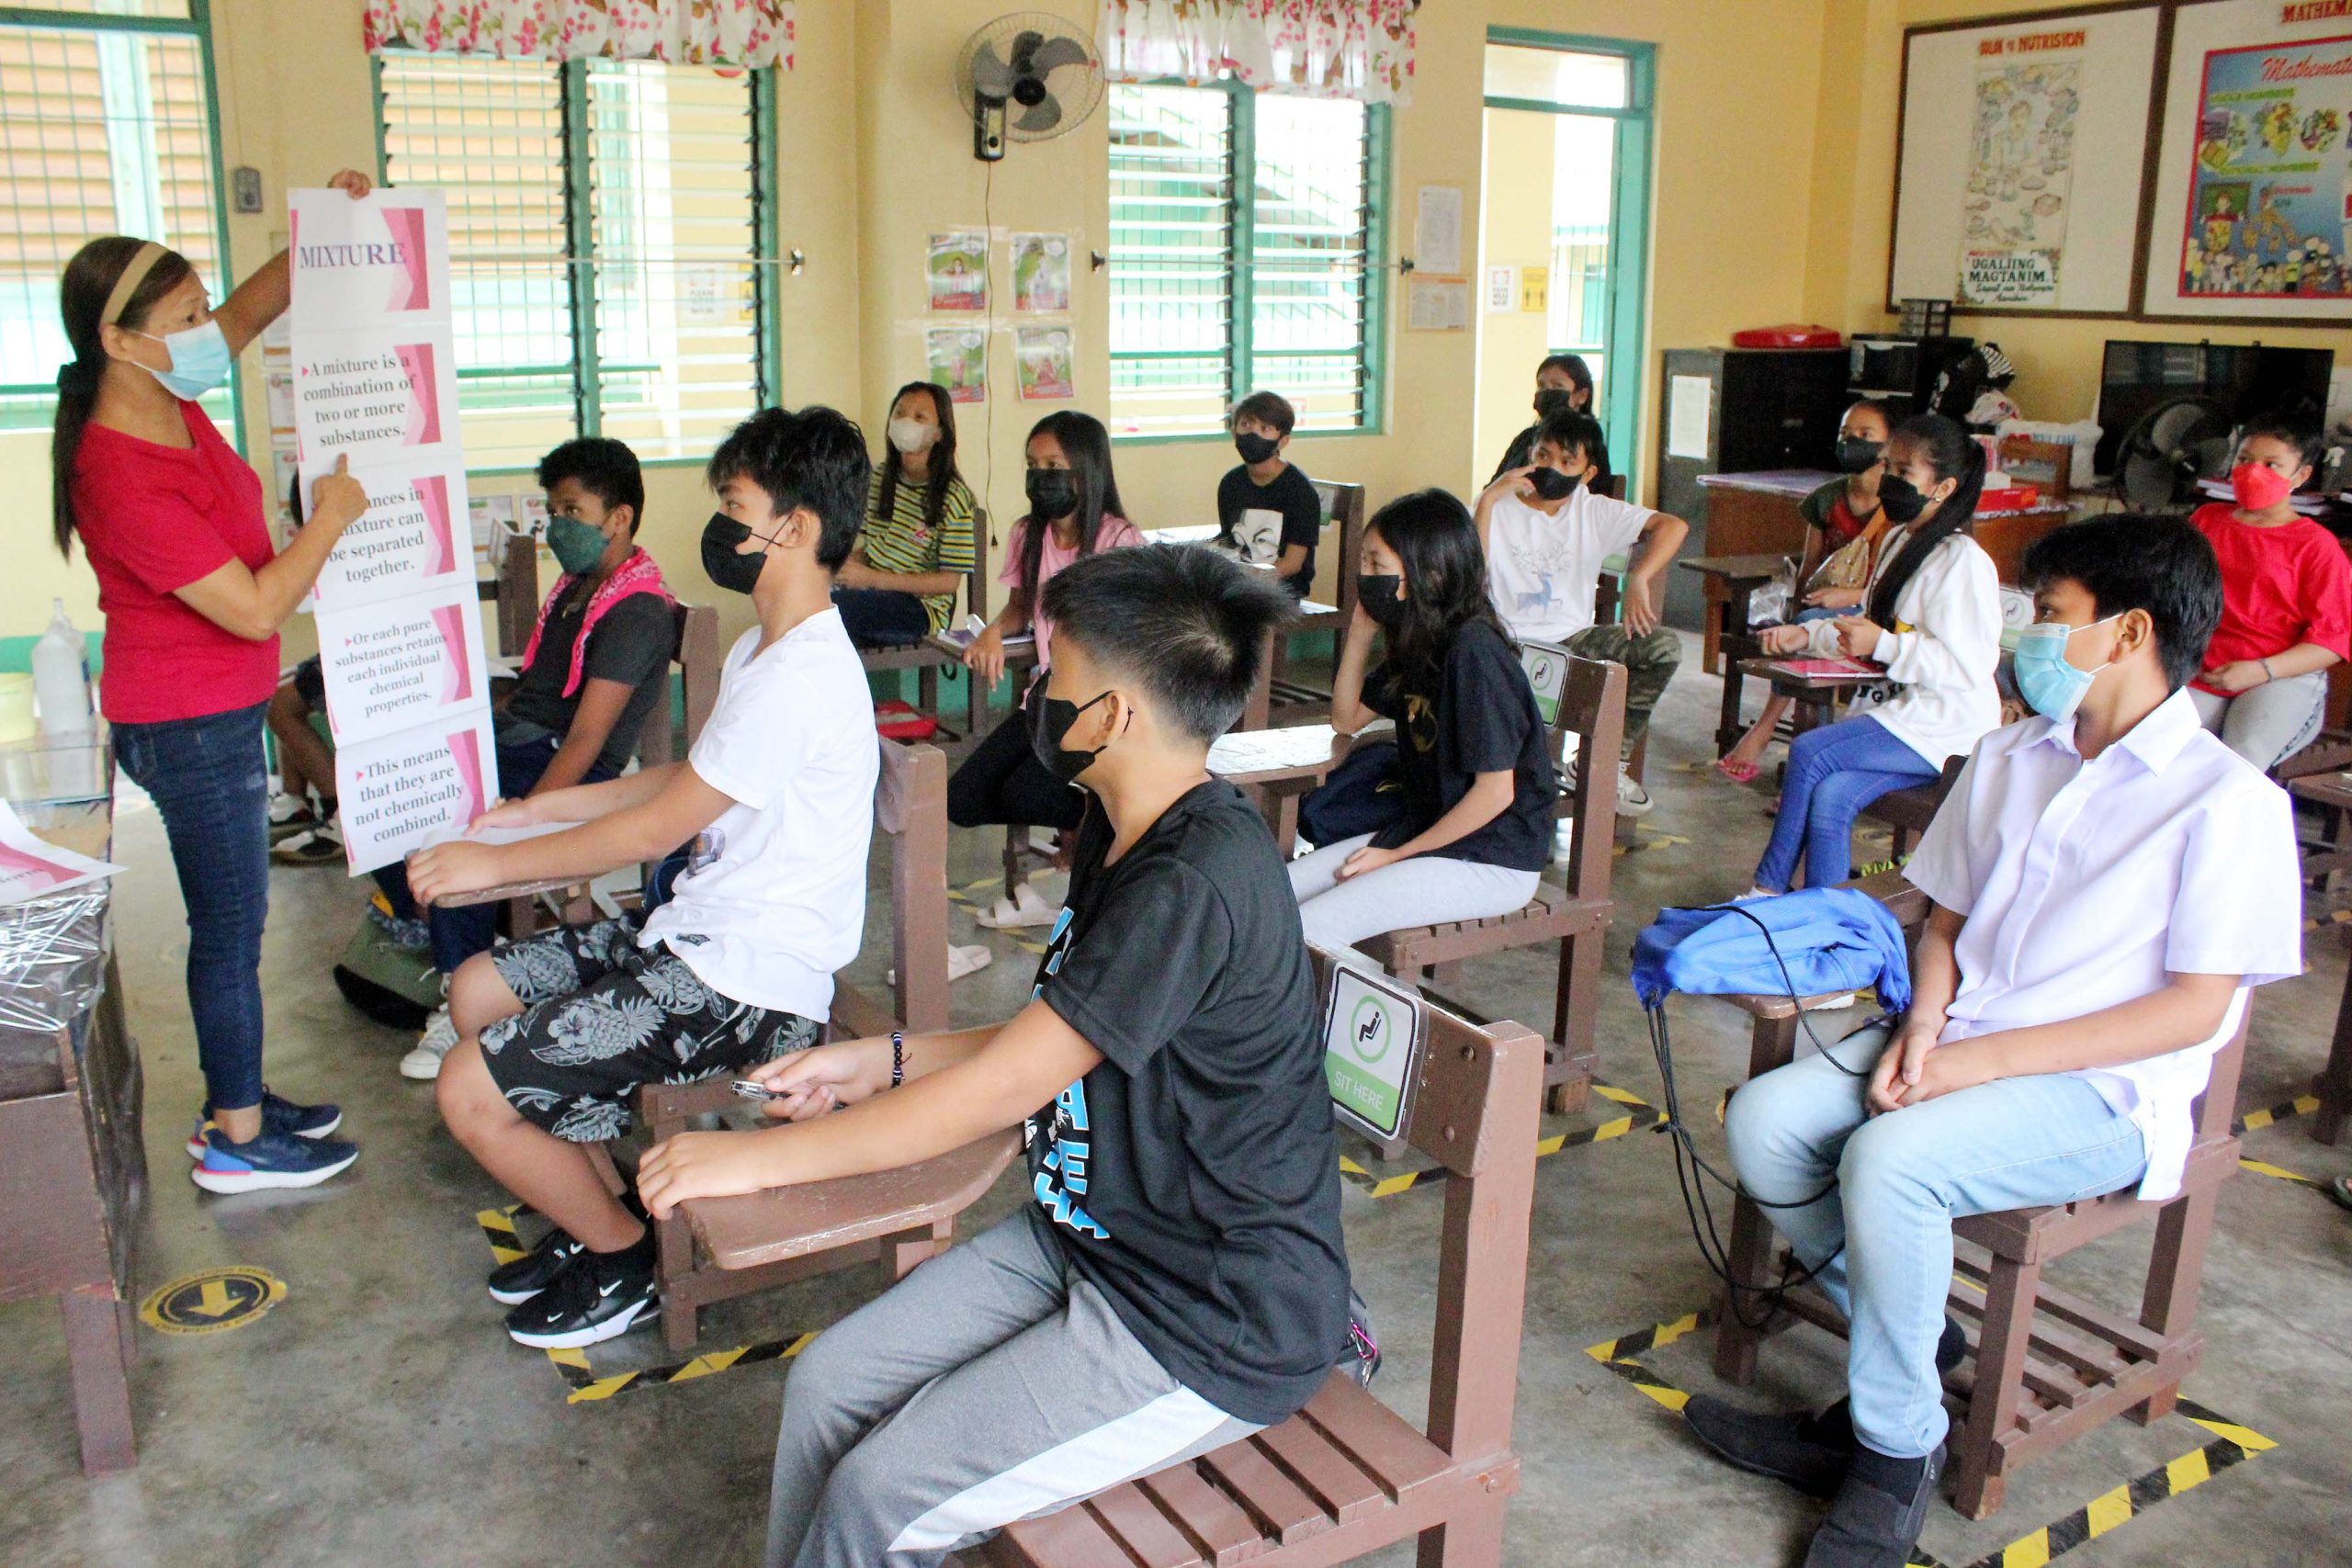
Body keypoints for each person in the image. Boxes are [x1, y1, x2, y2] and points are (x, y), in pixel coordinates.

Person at [627, 545, 1348, 1568]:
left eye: (1059, 675)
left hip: (1208, 1318)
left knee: (879, 1494)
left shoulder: (1193, 882)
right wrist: (874, 1061)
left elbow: (1005, 1090)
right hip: (1091, 1241)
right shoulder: (1121, 825)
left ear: (1119, 716)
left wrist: (745, 1160)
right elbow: (1059, 1031)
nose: (1037, 690)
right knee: (829, 1385)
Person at [1687, 514, 2302, 1568]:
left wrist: (1968, 1063)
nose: (2025, 635)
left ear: (2128, 632)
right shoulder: (2014, 754)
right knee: (1767, 1123)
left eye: (2049, 615)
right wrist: (1925, 1023)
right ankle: (1918, 1346)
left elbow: (2194, 1011)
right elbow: (1947, 922)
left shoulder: (2226, 804)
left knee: (1889, 1161)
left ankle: (1891, 1452)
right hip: (1957, 1036)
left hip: (2098, 1094)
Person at [407, 405, 876, 1348]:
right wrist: (536, 810)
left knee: (468, 1088)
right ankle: (605, 1214)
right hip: (696, 940)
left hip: (750, 987)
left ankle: (626, 1259)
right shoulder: (761, 648)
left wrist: (494, 866)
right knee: (475, 989)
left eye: (734, 503)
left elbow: (662, 825)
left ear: (796, 525)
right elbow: (690, 778)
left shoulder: (805, 674)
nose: (718, 524)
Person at [52, 172, 376, 1192]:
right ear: (121, 339)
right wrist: (329, 516)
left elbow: (252, 303)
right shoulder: (117, 466)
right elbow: (250, 608)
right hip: (188, 726)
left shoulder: (168, 389)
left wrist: (326, 218)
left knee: (233, 925)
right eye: (183, 318)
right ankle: (238, 1140)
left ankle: (238, 1094)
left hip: (215, 710)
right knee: (230, 931)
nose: (207, 331)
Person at [385, 436, 678, 1081]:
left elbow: (586, 741)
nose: (558, 525)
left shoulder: (636, 611)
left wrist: (521, 814)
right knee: (389, 793)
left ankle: (463, 995)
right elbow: (538, 688)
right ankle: (449, 934)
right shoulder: (578, 587)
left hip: (567, 769)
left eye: (572, 510)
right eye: (554, 510)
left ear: (620, 517)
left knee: (458, 829)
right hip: (522, 740)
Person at [1290, 490, 1557, 966]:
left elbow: (1495, 795)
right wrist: (1360, 633)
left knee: (1312, 930)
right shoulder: (1421, 641)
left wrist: (1396, 856)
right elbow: (1346, 719)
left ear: (1427, 571)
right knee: (1277, 897)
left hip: (1492, 858)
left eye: (1376, 563)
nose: (1364, 576)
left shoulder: (1473, 654)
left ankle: (1363, 1032)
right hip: (1432, 836)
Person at [1745, 414, 2001, 897]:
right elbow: (1871, 621)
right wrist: (1808, 637)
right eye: (1890, 467)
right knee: (1830, 795)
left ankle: (1766, 891)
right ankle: (1827, 921)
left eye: (1905, 473)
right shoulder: (1903, 540)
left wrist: (1883, 645)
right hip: (1902, 713)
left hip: (1947, 728)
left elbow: (1968, 667)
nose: (1889, 481)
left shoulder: (1962, 561)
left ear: (1943, 488)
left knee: (1809, 751)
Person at [950, 411, 1145, 927]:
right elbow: (1020, 605)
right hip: (1042, 698)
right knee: (962, 801)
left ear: (1087, 469)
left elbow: (1130, 639)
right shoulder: (1026, 534)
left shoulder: (1118, 540)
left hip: (1091, 706)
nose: (1042, 476)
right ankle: (1083, 814)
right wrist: (993, 629)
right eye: (1033, 465)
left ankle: (1090, 819)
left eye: (1055, 464)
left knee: (1023, 793)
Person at [1476, 408, 1688, 818]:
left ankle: (1606, 765)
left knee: (1662, 648)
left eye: (1566, 461)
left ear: (1587, 473)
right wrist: (1487, 499)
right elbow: (1471, 575)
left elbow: (1674, 526)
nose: (1550, 467)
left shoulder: (1593, 511)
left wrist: (1639, 577)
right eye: (1543, 454)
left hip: (1574, 642)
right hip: (1506, 643)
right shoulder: (1497, 507)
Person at [1718, 400, 1896, 783]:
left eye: (1866, 436)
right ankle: (1807, 763)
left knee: (1807, 629)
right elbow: (1810, 567)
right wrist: (1792, 606)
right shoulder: (1827, 499)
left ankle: (1764, 731)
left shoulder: (1898, 506)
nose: (1853, 443)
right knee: (1798, 624)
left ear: (1889, 446)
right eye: (1847, 436)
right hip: (1816, 608)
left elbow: (1892, 581)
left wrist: (1848, 597)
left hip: (1870, 615)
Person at [2185, 420, 2349, 771]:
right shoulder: (2206, 521)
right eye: (2244, 459)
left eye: (2271, 465)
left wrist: (2259, 671)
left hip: (2280, 676)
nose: (2252, 472)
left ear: (2301, 475)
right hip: (2205, 670)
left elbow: (2332, 642)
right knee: (2161, 749)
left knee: (2239, 761)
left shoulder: (2317, 546)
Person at [833, 380, 976, 649]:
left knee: (832, 611)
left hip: (918, 608)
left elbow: (948, 581)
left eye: (920, 417)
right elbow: (870, 550)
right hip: (870, 594)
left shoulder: (953, 497)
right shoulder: (878, 480)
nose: (906, 422)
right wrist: (833, 568)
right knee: (809, 599)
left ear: (939, 434)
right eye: (899, 413)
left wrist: (872, 579)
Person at [1215, 389, 1323, 597]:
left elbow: (1292, 563)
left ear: (1283, 440)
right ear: (1234, 432)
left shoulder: (1299, 490)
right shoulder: (1231, 484)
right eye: (1246, 425)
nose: (1253, 434)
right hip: (1239, 584)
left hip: (1283, 590)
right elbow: (1229, 543)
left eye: (1265, 428)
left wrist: (1250, 581)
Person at [1489, 352, 1611, 487]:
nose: (1547, 392)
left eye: (1558, 386)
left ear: (1581, 396)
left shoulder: (1588, 443)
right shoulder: (1525, 437)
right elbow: (1495, 484)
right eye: (1541, 386)